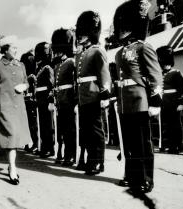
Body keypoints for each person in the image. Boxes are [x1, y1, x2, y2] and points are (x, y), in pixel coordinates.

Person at [113, 0, 163, 193]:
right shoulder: (119, 53)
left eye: (124, 26)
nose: (121, 30)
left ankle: (146, 179)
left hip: (140, 100)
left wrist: (156, 101)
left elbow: (155, 74)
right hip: (125, 102)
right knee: (129, 143)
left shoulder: (143, 47)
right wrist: (118, 102)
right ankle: (132, 175)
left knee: (143, 143)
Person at [0, 35, 32, 185]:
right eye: (13, 48)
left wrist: (24, 87)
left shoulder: (21, 65)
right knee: (12, 135)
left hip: (19, 107)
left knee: (15, 138)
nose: (16, 50)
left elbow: (26, 82)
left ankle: (11, 165)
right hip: (4, 107)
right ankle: (13, 168)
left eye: (17, 48)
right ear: (5, 49)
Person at [75, 11, 111, 175]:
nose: (79, 36)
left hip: (95, 95)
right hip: (84, 97)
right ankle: (90, 159)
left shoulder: (98, 51)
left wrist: (105, 95)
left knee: (96, 131)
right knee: (87, 130)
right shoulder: (82, 53)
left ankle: (98, 162)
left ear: (90, 33)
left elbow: (104, 74)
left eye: (83, 33)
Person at [50, 28, 76, 166]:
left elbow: (75, 83)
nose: (57, 52)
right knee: (61, 129)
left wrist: (76, 101)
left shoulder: (71, 62)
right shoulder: (58, 64)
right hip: (60, 100)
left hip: (69, 99)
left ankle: (70, 155)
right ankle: (62, 152)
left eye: (59, 49)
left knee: (70, 130)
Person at [156, 45, 183, 154]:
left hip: (174, 103)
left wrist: (181, 103)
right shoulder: (160, 74)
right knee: (166, 126)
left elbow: (182, 89)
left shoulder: (176, 73)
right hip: (164, 104)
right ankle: (166, 145)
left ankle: (176, 146)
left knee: (175, 126)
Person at [35, 42, 55, 158]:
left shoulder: (48, 68)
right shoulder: (40, 67)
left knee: (48, 125)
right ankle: (44, 146)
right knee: (42, 125)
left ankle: (49, 148)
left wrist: (51, 99)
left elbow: (52, 84)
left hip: (46, 99)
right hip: (40, 99)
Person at [20, 50, 39, 153]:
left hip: (32, 101)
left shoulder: (32, 76)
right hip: (26, 101)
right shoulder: (25, 76)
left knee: (33, 125)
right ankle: (28, 143)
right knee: (27, 124)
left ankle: (35, 143)